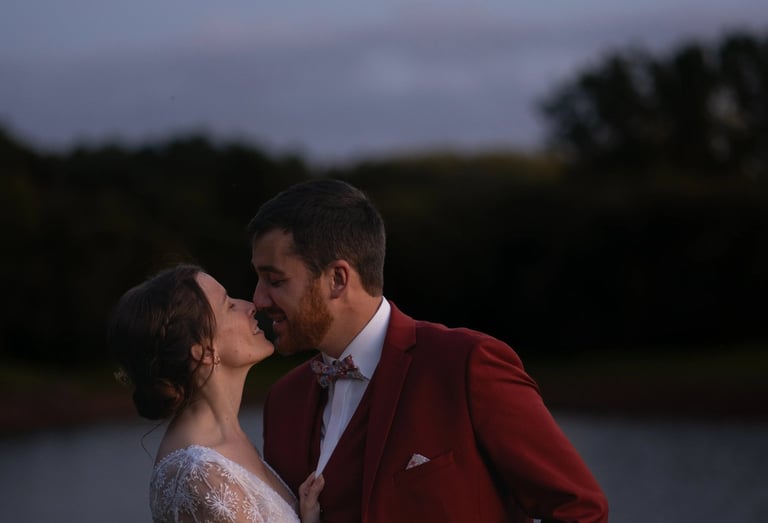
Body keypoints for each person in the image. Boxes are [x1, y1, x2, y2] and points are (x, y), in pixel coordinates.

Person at [248, 179, 609, 522]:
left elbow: (580, 509)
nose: (259, 299)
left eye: (275, 280)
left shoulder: (466, 366)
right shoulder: (284, 401)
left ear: (338, 279)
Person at [107, 264, 325, 522]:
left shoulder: (226, 443)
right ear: (204, 352)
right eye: (229, 306)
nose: (250, 305)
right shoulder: (200, 474)